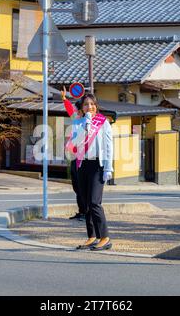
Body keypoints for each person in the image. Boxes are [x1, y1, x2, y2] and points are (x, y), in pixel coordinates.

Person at [64, 92, 114, 251]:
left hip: (97, 165)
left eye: (92, 104)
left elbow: (108, 146)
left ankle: (105, 237)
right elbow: (76, 143)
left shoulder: (103, 122)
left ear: (96, 106)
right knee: (85, 203)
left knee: (94, 202)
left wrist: (108, 167)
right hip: (82, 164)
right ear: (82, 107)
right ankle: (92, 236)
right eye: (86, 104)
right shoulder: (78, 122)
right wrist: (85, 124)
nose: (89, 107)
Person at [61, 87, 86, 221]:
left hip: (83, 158)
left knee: (82, 187)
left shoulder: (88, 122)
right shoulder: (77, 119)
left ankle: (86, 212)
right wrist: (65, 99)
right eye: (76, 110)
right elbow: (70, 109)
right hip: (74, 157)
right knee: (76, 187)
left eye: (78, 110)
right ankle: (81, 211)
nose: (76, 112)